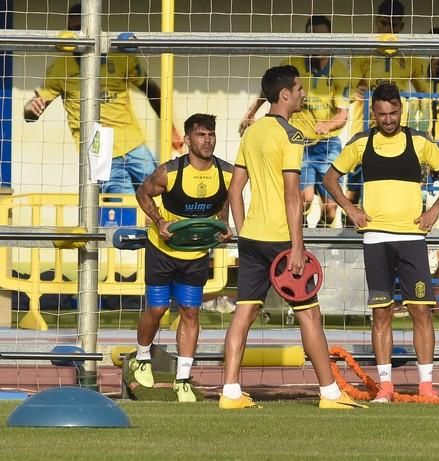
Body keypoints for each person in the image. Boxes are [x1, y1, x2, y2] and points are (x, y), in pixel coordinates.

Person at [221, 65, 366, 410]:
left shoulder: (251, 134)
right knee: (310, 316)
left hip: (253, 238)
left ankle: (230, 392)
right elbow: (292, 195)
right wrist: (298, 247)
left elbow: (235, 190)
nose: (304, 94)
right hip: (280, 240)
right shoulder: (292, 135)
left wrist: (243, 234)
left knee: (243, 314)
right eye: (299, 88)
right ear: (285, 94)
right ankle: (330, 393)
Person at [324, 83, 439, 403]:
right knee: (381, 313)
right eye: (382, 114)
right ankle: (385, 387)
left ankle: (426, 386)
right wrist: (350, 208)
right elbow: (330, 178)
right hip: (375, 239)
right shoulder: (361, 143)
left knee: (421, 311)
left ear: (402, 109)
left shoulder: (419, 141)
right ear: (373, 113)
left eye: (394, 112)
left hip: (412, 237)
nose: (388, 119)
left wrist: (435, 210)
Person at [23, 3, 183, 194]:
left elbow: (152, 90)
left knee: (159, 198)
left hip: (133, 144)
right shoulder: (60, 68)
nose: (78, 36)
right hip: (99, 149)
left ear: (95, 27)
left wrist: (171, 129)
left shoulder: (119, 57)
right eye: (73, 29)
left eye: (82, 29)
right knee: (122, 209)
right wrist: (30, 109)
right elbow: (31, 110)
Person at [128, 113, 233, 402]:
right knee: (157, 310)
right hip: (162, 251)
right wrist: (159, 221)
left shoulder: (227, 173)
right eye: (200, 135)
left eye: (211, 134)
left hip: (196, 252)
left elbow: (223, 201)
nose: (207, 140)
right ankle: (142, 356)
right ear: (187, 140)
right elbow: (143, 194)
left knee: (190, 312)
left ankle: (183, 378)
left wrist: (223, 226)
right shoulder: (168, 172)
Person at [238, 16, 350, 227]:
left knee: (331, 209)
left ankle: (320, 232)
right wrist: (252, 111)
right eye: (312, 37)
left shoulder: (340, 71)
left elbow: (343, 114)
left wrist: (327, 125)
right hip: (300, 143)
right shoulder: (293, 65)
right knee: (304, 199)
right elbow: (271, 88)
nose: (316, 42)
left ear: (331, 39)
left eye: (322, 37)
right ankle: (302, 233)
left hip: (327, 144)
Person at [345, 0, 427, 207]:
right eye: (383, 23)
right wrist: (354, 91)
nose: (388, 29)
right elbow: (346, 89)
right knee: (354, 193)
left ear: (402, 26)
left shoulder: (410, 57)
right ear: (376, 22)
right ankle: (350, 236)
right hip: (365, 131)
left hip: (397, 135)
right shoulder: (362, 53)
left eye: (394, 25)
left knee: (397, 190)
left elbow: (425, 93)